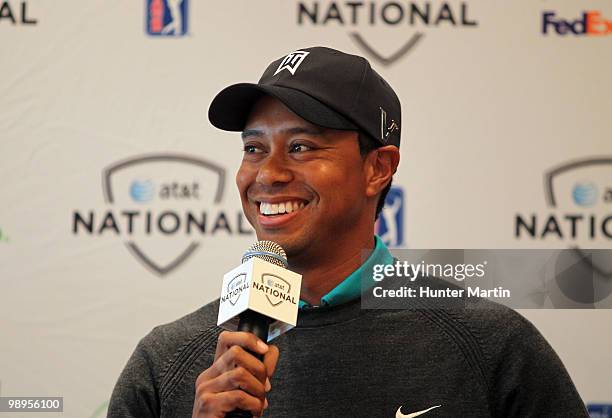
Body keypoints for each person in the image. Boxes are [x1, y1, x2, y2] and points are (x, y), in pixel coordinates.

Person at [108, 46, 588, 417]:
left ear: (378, 169)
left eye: (300, 146)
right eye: (253, 149)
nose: (267, 174)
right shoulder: (168, 360)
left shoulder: (492, 346)